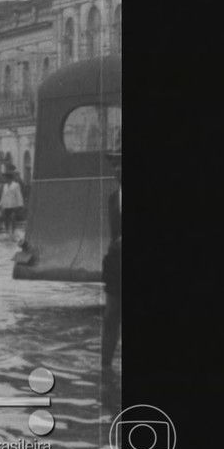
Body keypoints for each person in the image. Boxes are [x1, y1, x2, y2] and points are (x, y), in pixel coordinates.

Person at [101, 144, 122, 370]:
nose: (117, 169)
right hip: (117, 264)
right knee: (110, 316)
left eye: (121, 164)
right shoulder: (112, 198)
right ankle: (105, 369)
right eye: (115, 164)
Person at [0, 167, 24, 240]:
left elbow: (18, 195)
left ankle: (13, 232)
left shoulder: (15, 185)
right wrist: (1, 205)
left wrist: (20, 205)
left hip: (14, 205)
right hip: (6, 205)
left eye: (5, 178)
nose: (4, 179)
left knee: (12, 218)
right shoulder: (5, 186)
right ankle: (7, 233)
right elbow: (3, 196)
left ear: (9, 178)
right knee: (6, 219)